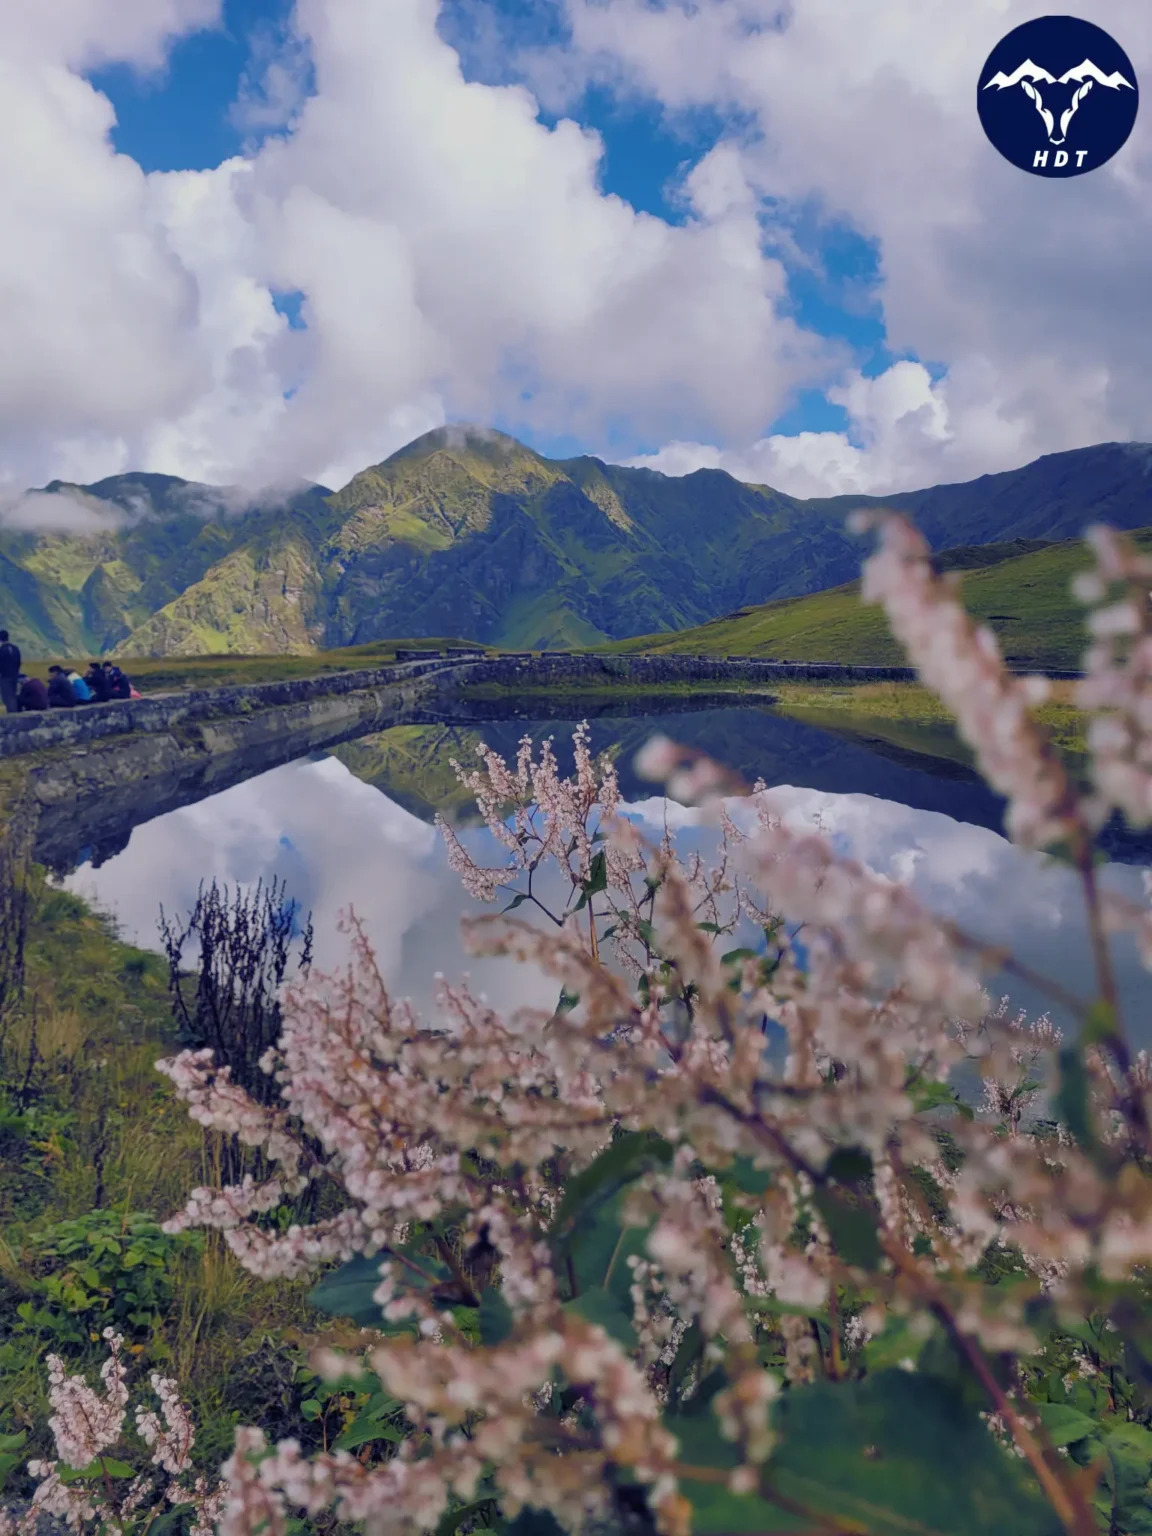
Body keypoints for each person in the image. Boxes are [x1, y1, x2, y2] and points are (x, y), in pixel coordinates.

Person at [0, 629, 21, 714]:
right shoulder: (15, 648)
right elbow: (18, 662)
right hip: (15, 675)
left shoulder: (2, 650)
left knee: (7, 696)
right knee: (13, 694)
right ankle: (15, 712)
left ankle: (12, 714)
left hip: (5, 676)